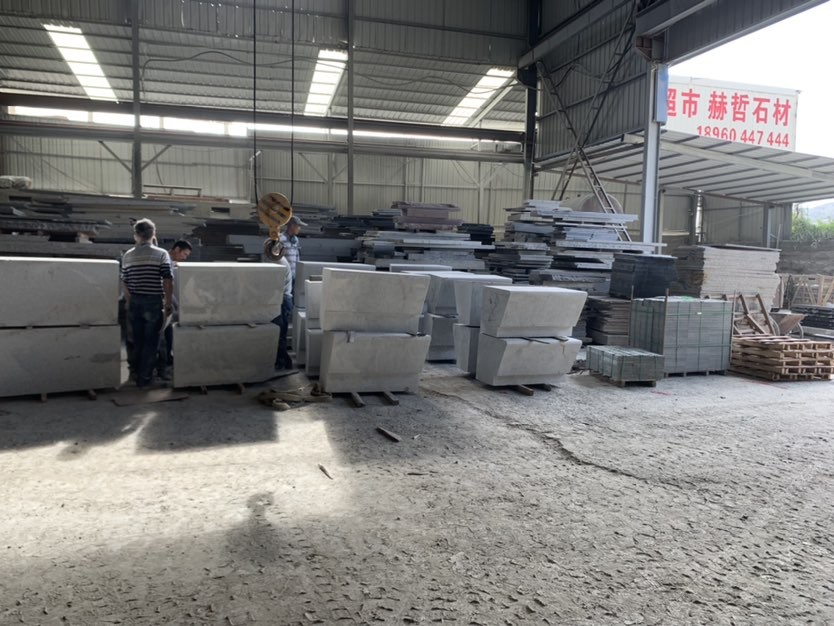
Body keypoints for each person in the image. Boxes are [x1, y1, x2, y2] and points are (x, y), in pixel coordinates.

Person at [121, 219, 173, 388]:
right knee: (151, 343)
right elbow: (167, 280)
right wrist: (168, 303)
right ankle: (145, 379)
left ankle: (137, 376)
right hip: (153, 302)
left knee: (137, 342)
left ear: (136, 235)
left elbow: (124, 282)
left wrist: (130, 301)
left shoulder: (128, 255)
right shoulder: (161, 254)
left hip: (135, 302)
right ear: (153, 234)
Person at [156, 240, 192, 380]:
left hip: (166, 300)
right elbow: (164, 285)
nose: (185, 257)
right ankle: (162, 367)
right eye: (184, 254)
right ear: (177, 249)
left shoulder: (169, 261)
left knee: (169, 331)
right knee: (162, 336)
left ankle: (168, 360)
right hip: (160, 301)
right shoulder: (164, 260)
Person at [264, 239, 294, 370]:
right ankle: (282, 361)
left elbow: (275, 286)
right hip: (279, 299)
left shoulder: (280, 263)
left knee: (279, 333)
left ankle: (283, 362)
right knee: (278, 332)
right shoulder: (274, 261)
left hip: (282, 300)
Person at [279, 215, 306, 281]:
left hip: (294, 276)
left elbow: (297, 257)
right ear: (292, 226)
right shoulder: (281, 239)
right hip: (284, 277)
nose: (299, 229)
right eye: (298, 226)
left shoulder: (295, 240)